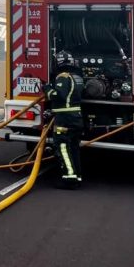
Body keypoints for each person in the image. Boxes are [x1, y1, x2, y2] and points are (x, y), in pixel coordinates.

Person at [45, 56, 85, 189]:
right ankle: (77, 177)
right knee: (74, 148)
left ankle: (69, 179)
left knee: (63, 147)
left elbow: (59, 95)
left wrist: (48, 90)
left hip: (65, 118)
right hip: (76, 117)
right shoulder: (77, 77)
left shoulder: (63, 76)